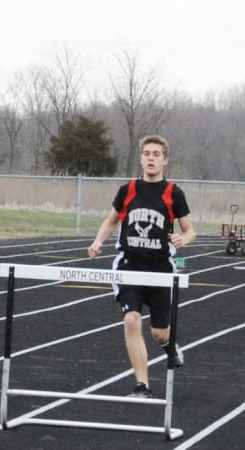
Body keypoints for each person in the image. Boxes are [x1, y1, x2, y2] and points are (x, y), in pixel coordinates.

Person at [87, 135, 195, 398]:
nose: (151, 158)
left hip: (160, 270)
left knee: (159, 333)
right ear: (141, 158)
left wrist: (183, 239)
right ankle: (142, 385)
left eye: (156, 154)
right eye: (147, 154)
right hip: (129, 265)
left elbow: (190, 230)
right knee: (131, 320)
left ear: (165, 160)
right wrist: (98, 241)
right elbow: (111, 221)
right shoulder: (128, 190)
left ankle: (168, 344)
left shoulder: (174, 193)